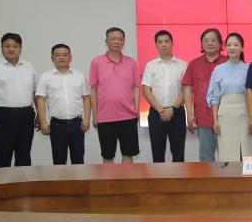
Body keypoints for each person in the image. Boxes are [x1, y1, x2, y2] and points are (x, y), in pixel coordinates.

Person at [0, 32, 38, 168]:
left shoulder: (29, 67)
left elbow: (36, 93)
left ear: (20, 48)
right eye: (7, 46)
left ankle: (23, 182)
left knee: (24, 155)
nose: (11, 49)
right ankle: (1, 182)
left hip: (26, 115)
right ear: (2, 48)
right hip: (3, 116)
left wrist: (39, 116)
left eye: (15, 46)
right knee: (3, 155)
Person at [89, 27, 141, 164]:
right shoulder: (96, 62)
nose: (116, 42)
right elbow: (93, 90)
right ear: (106, 41)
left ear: (124, 42)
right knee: (107, 156)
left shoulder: (131, 62)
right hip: (105, 118)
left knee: (128, 154)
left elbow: (136, 88)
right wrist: (95, 115)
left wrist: (136, 110)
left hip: (128, 117)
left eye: (120, 39)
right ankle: (109, 180)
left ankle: (127, 179)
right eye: (113, 39)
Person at [35, 44, 90, 165]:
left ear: (70, 57)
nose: (61, 57)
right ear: (52, 58)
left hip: (77, 124)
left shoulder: (79, 75)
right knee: (59, 161)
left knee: (78, 160)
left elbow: (86, 98)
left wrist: (86, 119)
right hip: (57, 125)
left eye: (65, 55)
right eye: (57, 55)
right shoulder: (45, 77)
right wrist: (43, 122)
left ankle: (78, 178)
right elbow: (40, 100)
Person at [208, 33, 252, 161]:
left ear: (242, 48)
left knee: (246, 152)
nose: (232, 48)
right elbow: (215, 97)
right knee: (227, 152)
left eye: (235, 45)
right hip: (225, 116)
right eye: (229, 45)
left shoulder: (249, 68)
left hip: (245, 114)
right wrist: (215, 120)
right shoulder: (218, 69)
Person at [142, 30, 188, 163]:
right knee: (157, 155)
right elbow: (146, 90)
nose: (163, 44)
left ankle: (178, 178)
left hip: (177, 113)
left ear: (172, 43)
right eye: (160, 42)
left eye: (166, 41)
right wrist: (161, 110)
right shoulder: (150, 65)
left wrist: (172, 108)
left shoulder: (183, 65)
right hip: (156, 113)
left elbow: (186, 91)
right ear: (156, 45)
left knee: (178, 154)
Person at [182, 28, 227, 162]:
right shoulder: (194, 64)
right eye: (206, 40)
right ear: (201, 44)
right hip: (203, 117)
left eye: (213, 40)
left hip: (226, 117)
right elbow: (187, 89)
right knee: (206, 158)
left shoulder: (228, 62)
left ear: (220, 43)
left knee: (229, 157)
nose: (209, 43)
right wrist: (189, 114)